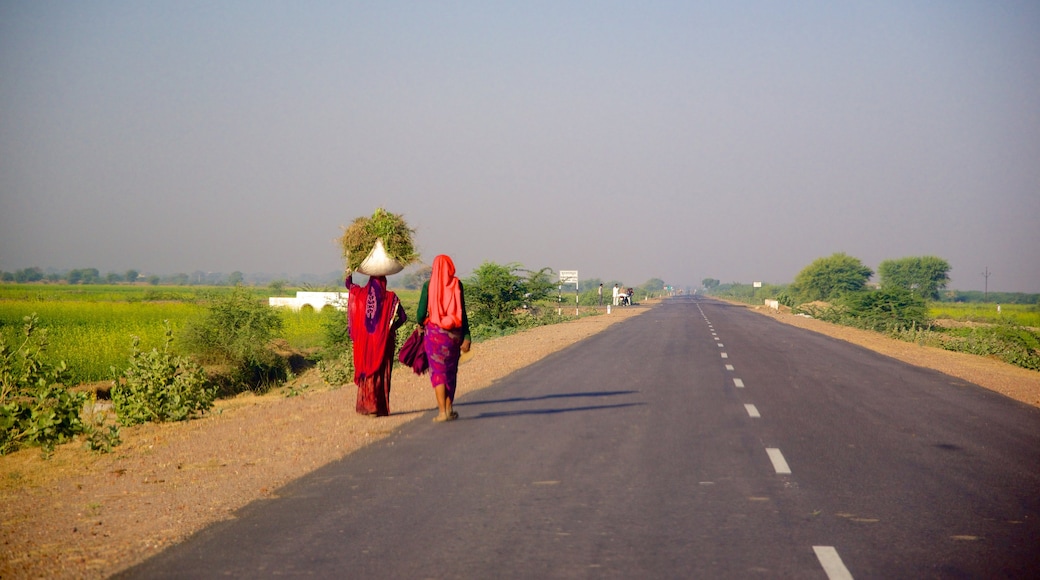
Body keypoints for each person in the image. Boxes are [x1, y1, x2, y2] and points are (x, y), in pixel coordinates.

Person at [417, 254, 471, 422]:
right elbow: (463, 313)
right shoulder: (457, 284)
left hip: (435, 335)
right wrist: (467, 337)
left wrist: (421, 323)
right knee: (450, 372)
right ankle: (449, 408)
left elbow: (420, 314)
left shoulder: (428, 285)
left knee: (438, 372)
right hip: (454, 336)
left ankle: (442, 412)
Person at [345, 271, 407, 417]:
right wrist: (388, 330)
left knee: (367, 372)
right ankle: (378, 407)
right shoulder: (391, 298)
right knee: (381, 372)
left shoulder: (360, 294)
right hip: (384, 344)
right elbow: (403, 317)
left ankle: (366, 406)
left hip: (365, 344)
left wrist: (349, 271)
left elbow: (349, 285)